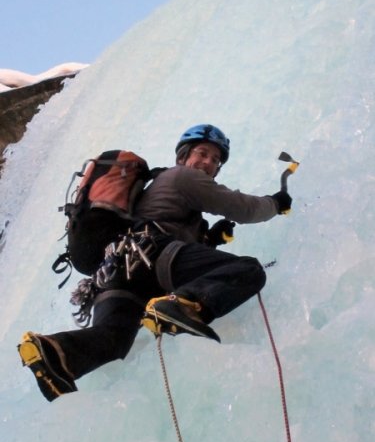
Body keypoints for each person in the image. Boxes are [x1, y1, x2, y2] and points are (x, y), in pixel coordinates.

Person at [18, 124, 292, 401]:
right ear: (184, 156)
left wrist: (210, 239)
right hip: (152, 256)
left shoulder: (157, 191)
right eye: (203, 153)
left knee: (113, 340)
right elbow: (242, 208)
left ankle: (53, 352)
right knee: (248, 270)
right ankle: (182, 304)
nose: (209, 162)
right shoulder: (182, 176)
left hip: (118, 271)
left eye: (215, 160)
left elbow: (173, 239)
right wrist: (275, 202)